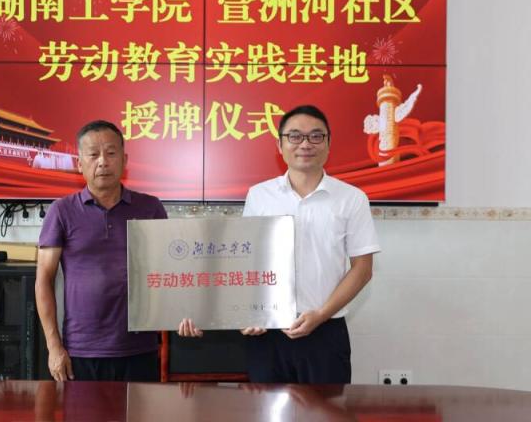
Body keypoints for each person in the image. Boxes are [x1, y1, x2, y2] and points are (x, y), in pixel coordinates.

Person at [179, 105, 380, 384]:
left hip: (325, 331)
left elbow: (362, 269)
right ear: (280, 145)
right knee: (266, 406)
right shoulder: (260, 195)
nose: (305, 144)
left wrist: (321, 315)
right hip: (267, 334)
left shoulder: (351, 198)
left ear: (328, 143)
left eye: (316, 136)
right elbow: (246, 260)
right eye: (295, 136)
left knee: (327, 408)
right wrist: (246, 313)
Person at [36, 120, 167, 382]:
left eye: (111, 153)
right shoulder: (61, 211)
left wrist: (184, 313)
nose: (103, 162)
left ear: (124, 159)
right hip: (81, 351)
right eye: (93, 154)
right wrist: (54, 346)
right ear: (79, 163)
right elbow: (43, 280)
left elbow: (169, 270)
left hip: (139, 348)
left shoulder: (150, 208)